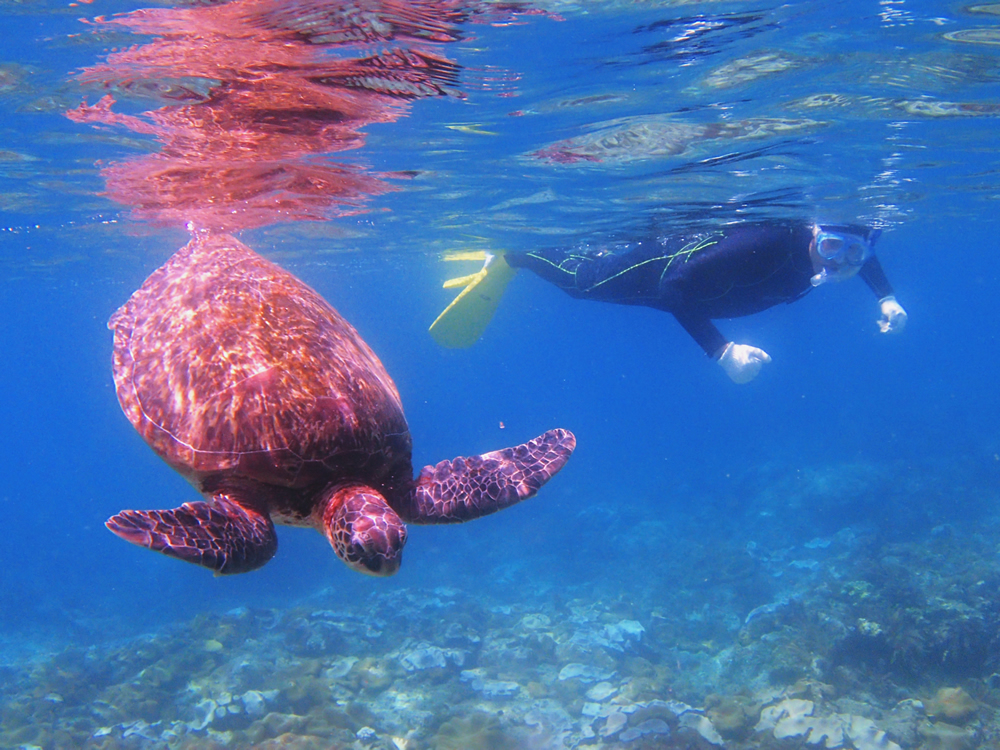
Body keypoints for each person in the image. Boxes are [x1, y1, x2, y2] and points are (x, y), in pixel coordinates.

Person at [429, 221, 907, 384]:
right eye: (830, 248)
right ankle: (514, 253)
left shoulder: (845, 253)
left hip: (709, 292)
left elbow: (859, 257)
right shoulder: (764, 243)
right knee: (583, 283)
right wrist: (720, 351)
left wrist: (886, 298)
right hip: (663, 273)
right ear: (814, 234)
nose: (840, 263)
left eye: (852, 253)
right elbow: (675, 286)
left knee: (592, 267)